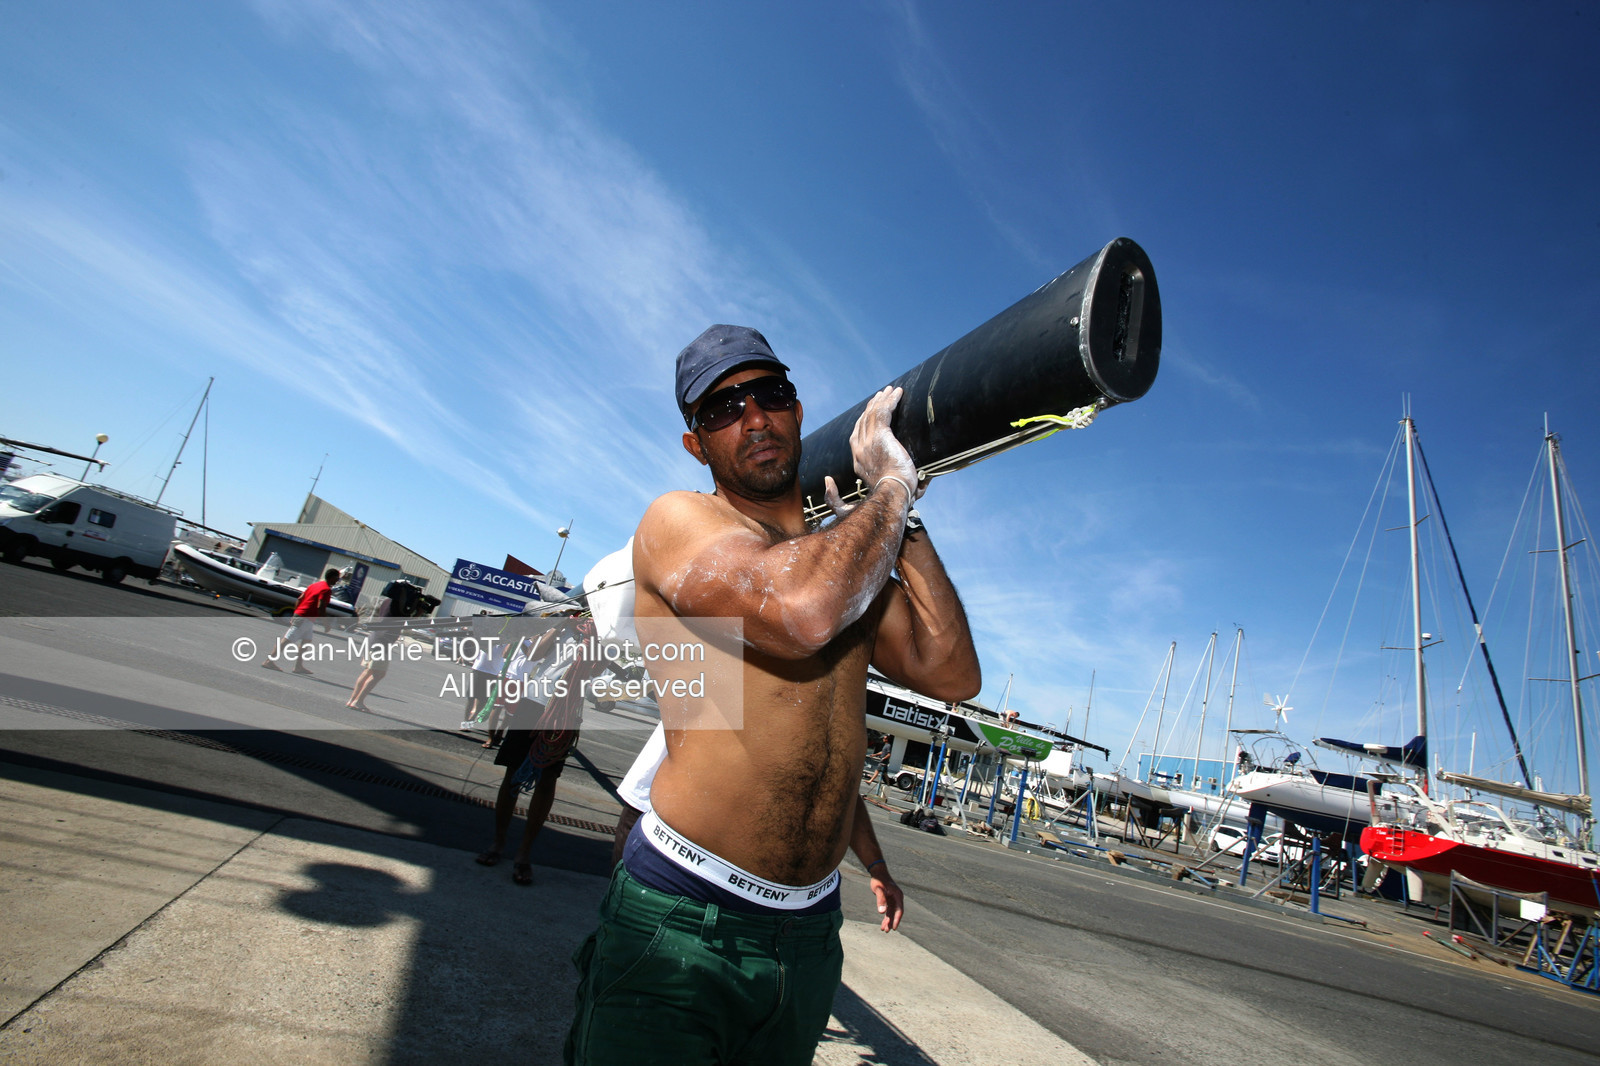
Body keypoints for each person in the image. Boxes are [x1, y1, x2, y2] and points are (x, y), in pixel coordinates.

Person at [565, 325, 980, 1065]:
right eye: (723, 408)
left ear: (795, 410)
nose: (753, 417)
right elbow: (800, 613)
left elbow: (952, 673)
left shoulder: (843, 562)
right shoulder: (679, 522)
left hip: (808, 935)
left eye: (770, 395)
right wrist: (889, 486)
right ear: (697, 444)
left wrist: (903, 523)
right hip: (682, 918)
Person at [610, 723, 902, 929]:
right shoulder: (733, 666)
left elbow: (841, 787)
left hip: (776, 910)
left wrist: (877, 868)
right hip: (673, 859)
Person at [477, 619, 606, 886]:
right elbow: (534, 654)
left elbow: (598, 671)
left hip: (566, 712)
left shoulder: (604, 632)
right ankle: (498, 842)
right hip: (533, 704)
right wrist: (559, 624)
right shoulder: (562, 627)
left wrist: (602, 639)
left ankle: (523, 853)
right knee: (512, 774)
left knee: (547, 781)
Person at [261, 567, 340, 674]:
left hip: (306, 618)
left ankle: (298, 666)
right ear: (331, 578)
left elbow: (300, 598)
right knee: (287, 640)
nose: (337, 581)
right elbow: (320, 607)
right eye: (336, 578)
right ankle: (269, 661)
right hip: (305, 618)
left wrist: (295, 613)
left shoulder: (315, 585)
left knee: (306, 642)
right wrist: (326, 624)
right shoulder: (326, 589)